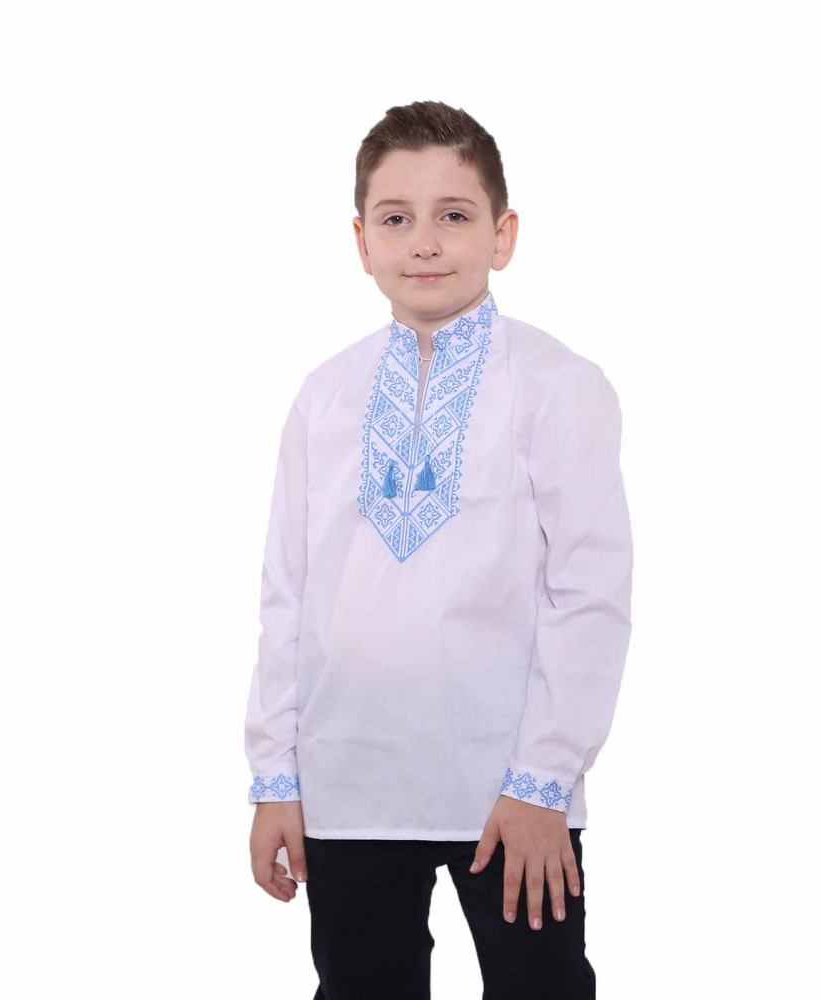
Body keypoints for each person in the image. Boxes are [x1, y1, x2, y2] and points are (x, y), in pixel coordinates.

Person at [243, 100, 633, 1000]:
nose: (423, 242)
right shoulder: (325, 397)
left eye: (452, 215)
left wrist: (543, 780)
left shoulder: (556, 386)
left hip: (507, 789)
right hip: (346, 783)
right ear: (360, 241)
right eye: (395, 218)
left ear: (502, 235)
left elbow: (589, 595)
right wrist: (273, 777)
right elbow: (286, 597)